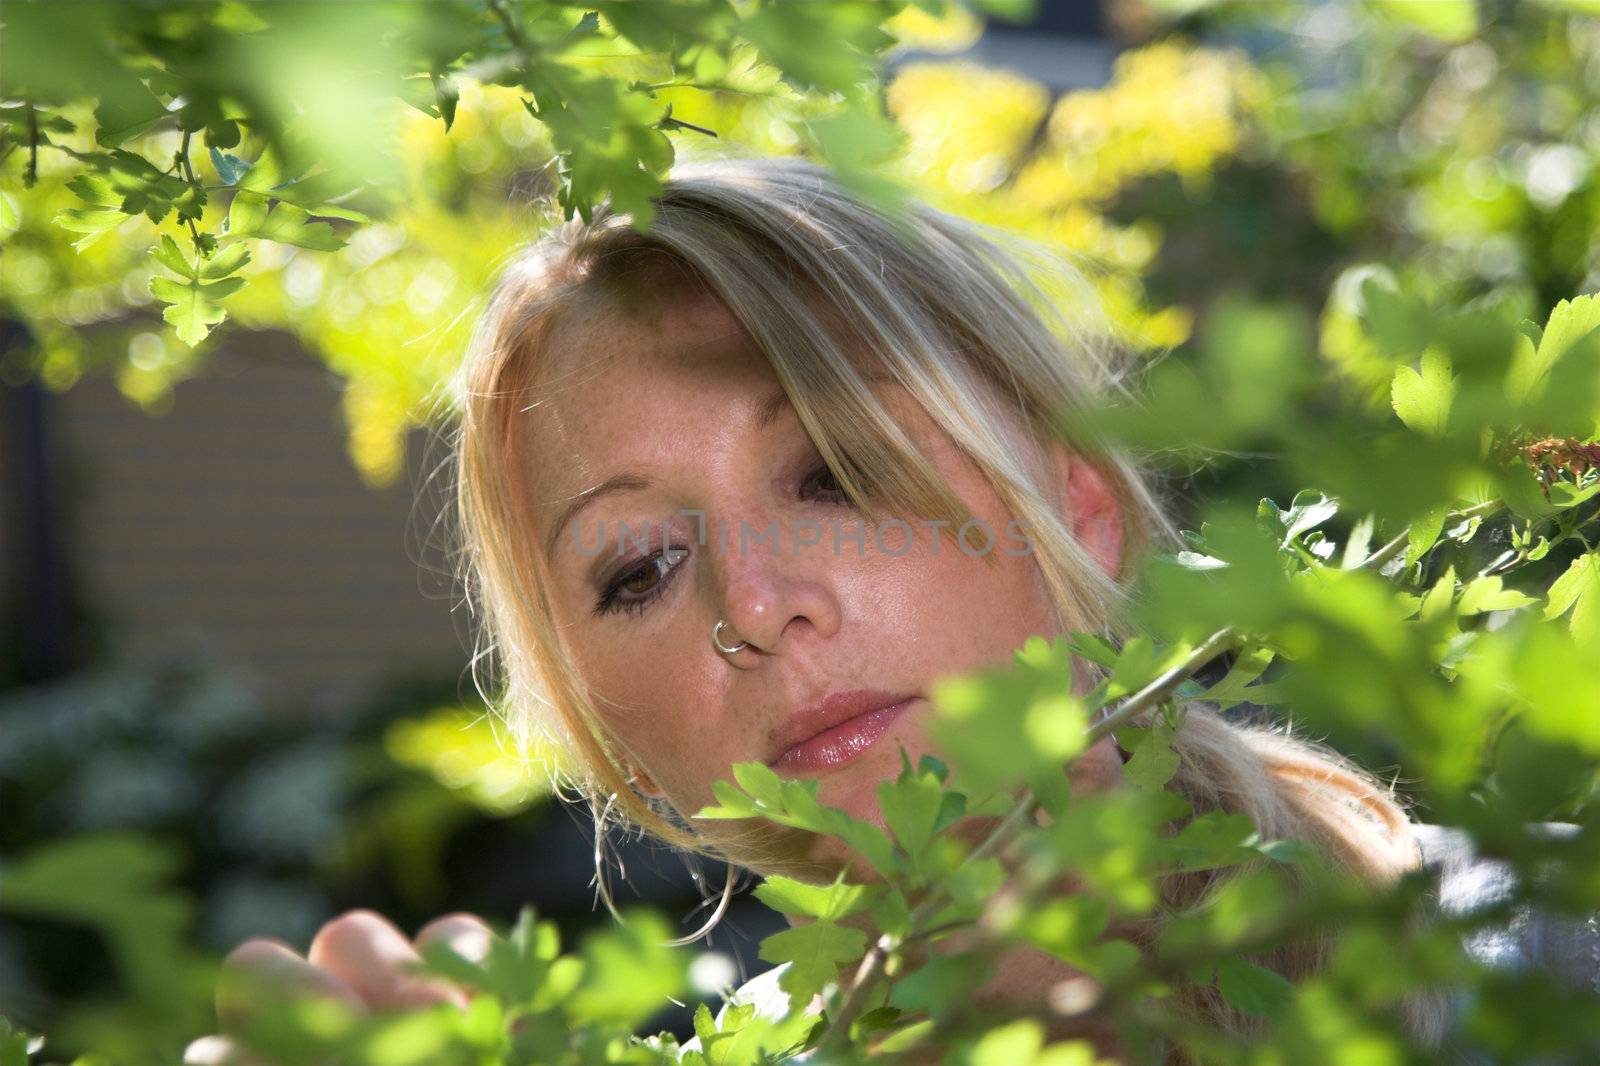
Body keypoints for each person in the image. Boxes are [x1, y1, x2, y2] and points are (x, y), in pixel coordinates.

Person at [187, 156, 1591, 1065]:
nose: (755, 604)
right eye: (638, 566)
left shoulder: (1533, 964)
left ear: (1076, 505)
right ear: (599, 720)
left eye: (837, 471)